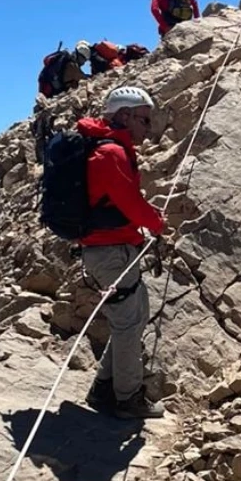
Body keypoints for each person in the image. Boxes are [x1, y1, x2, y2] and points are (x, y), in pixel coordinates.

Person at [76, 86, 167, 419]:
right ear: (125, 116)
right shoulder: (111, 154)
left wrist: (147, 220)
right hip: (111, 251)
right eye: (143, 119)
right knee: (128, 323)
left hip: (112, 248)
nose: (147, 127)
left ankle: (104, 388)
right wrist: (156, 223)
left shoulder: (110, 150)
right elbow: (129, 204)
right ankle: (127, 398)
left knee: (134, 316)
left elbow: (123, 201)